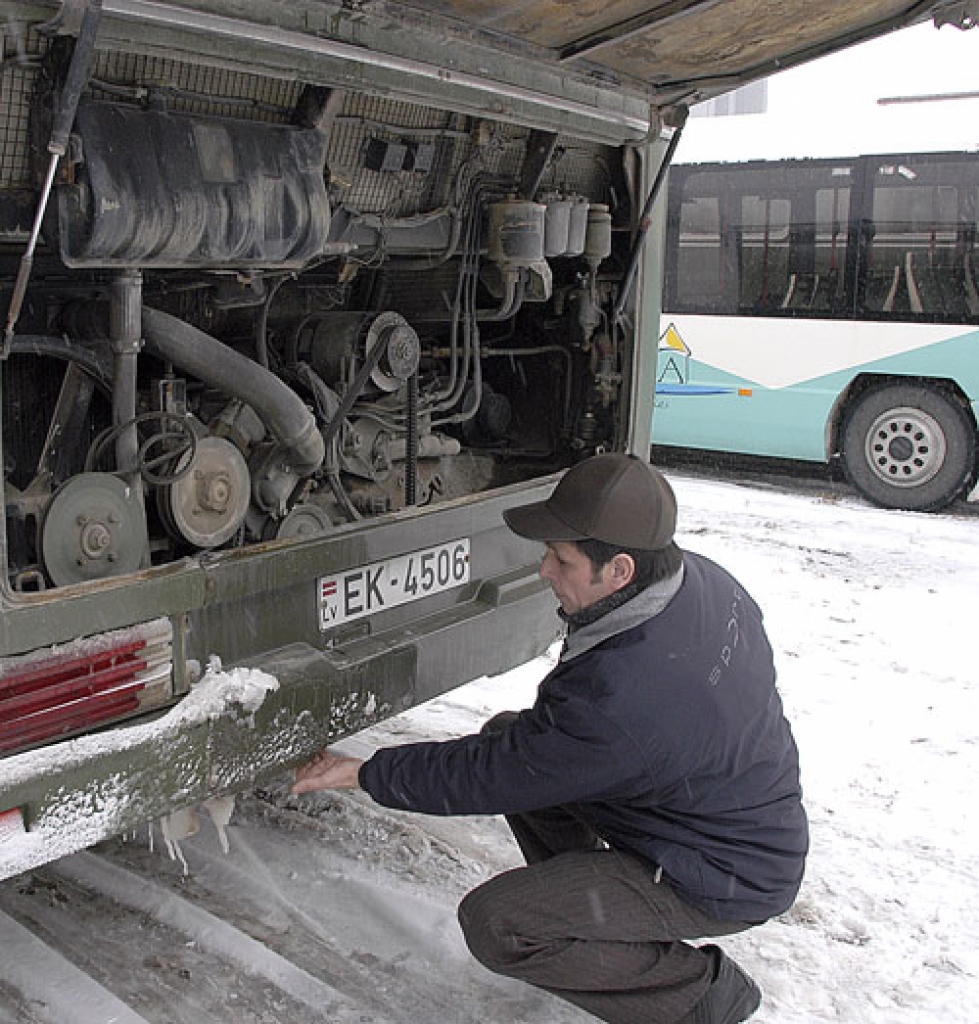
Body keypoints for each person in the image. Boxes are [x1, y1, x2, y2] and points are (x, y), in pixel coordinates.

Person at [292, 452, 808, 1024]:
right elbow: (528, 755)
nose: (544, 571)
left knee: (499, 922)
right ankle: (588, 908)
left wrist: (362, 772)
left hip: (719, 872)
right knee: (513, 738)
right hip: (717, 813)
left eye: (560, 560)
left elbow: (491, 775)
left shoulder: (622, 701)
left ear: (619, 572)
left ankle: (699, 999)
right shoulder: (702, 582)